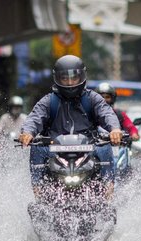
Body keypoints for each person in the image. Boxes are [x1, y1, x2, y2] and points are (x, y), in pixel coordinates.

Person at [18, 55, 123, 200]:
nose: (70, 82)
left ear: (82, 77)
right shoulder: (49, 101)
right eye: (65, 78)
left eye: (73, 78)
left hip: (89, 148)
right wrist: (27, 132)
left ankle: (108, 192)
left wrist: (115, 130)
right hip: (55, 149)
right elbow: (35, 117)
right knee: (37, 148)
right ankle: (39, 193)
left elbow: (106, 113)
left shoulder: (93, 98)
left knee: (105, 147)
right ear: (57, 78)